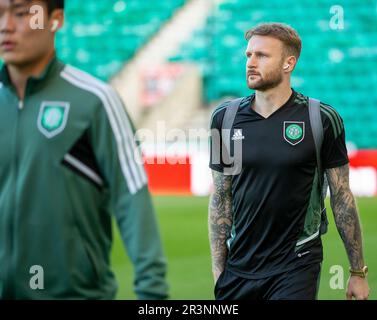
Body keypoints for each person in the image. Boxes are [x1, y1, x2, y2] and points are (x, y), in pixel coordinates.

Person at [0, 0, 168, 299]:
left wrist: (152, 294)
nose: (6, 26)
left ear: (55, 19)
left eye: (22, 13)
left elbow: (131, 196)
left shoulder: (95, 101)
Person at [208, 22, 370, 300]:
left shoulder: (321, 119)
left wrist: (357, 272)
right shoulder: (225, 118)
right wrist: (219, 272)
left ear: (288, 63)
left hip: (297, 262)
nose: (251, 62)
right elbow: (221, 198)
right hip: (239, 268)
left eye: (262, 55)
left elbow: (342, 198)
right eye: (248, 55)